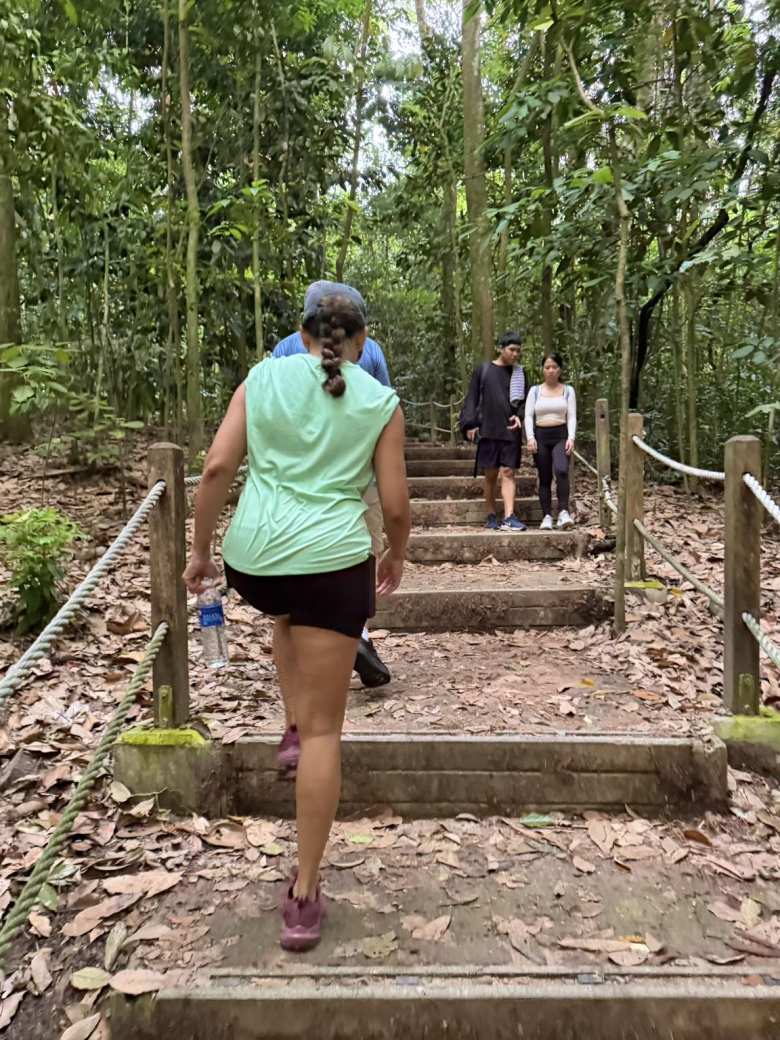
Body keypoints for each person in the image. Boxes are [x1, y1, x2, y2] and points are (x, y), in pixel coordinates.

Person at [183, 293, 410, 951]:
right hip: (333, 563)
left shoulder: (260, 378)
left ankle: (289, 723)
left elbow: (218, 468)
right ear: (363, 340)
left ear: (301, 332)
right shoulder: (378, 401)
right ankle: (304, 895)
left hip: (255, 561)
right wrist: (398, 553)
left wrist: (199, 554)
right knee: (326, 732)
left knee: (286, 615)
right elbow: (394, 505)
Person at [273, 283, 392, 689]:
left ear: (305, 325)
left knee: (301, 562)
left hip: (297, 481)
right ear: (360, 329)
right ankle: (355, 634)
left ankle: (308, 651)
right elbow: (384, 409)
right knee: (359, 554)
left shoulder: (286, 350)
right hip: (360, 476)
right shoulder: (370, 351)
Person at [459, 330, 528, 531]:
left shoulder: (520, 373)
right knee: (490, 475)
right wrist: (470, 424)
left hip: (510, 429)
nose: (515, 354)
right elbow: (472, 398)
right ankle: (490, 514)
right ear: (501, 348)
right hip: (488, 429)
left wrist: (520, 415)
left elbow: (526, 400)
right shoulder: (484, 370)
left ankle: (509, 516)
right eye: (512, 349)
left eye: (518, 351)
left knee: (508, 472)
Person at [524, 352, 577, 530]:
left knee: (562, 470)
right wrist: (530, 437)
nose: (551, 370)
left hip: (561, 434)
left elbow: (571, 416)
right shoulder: (535, 391)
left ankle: (563, 512)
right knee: (544, 476)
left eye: (554, 367)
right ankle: (546, 515)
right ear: (543, 370)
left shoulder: (568, 391)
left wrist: (571, 437)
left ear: (560, 369)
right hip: (541, 436)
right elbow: (528, 415)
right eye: (547, 367)